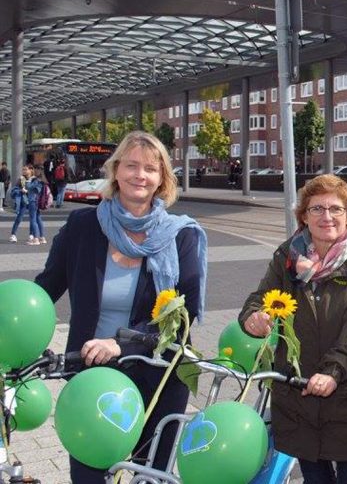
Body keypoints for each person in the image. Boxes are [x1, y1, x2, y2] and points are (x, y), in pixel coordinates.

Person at [35, 131, 208, 483]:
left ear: (162, 179)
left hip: (158, 375)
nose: (139, 175)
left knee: (148, 476)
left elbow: (183, 318)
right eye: (131, 165)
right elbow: (47, 287)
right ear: (115, 171)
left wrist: (122, 343)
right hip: (92, 376)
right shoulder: (83, 226)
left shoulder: (181, 235)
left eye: (150, 168)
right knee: (87, 474)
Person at [239, 174, 347, 484]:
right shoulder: (287, 257)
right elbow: (258, 300)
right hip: (297, 398)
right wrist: (252, 317)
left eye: (335, 209)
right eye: (316, 209)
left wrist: (333, 371)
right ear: (304, 216)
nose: (326, 217)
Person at [9, 164, 34, 243]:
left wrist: (28, 191)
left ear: (30, 170)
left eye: (25, 169)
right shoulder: (21, 179)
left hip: (32, 202)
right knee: (19, 218)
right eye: (23, 169)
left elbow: (37, 190)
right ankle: (13, 235)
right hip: (23, 201)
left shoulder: (34, 179)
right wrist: (20, 190)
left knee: (32, 219)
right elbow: (15, 189)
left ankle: (31, 235)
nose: (24, 171)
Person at [31, 165, 48, 245]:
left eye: (34, 169)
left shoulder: (37, 180)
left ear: (38, 170)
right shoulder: (43, 180)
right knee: (38, 219)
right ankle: (42, 237)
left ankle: (36, 239)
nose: (33, 171)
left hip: (34, 201)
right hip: (38, 202)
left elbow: (32, 188)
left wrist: (28, 184)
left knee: (33, 220)